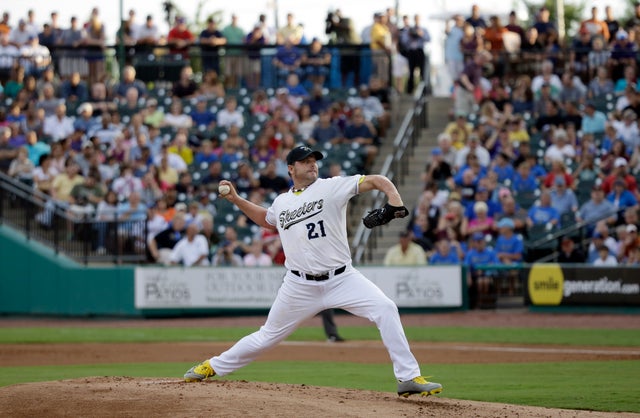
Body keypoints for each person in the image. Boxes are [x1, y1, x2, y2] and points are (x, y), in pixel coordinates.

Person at [184, 145, 443, 398]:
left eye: (314, 160)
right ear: (290, 168)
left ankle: (408, 378)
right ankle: (212, 366)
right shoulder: (282, 201)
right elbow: (266, 220)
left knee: (385, 308)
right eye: (305, 161)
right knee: (266, 336)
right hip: (299, 286)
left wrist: (395, 202)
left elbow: (378, 180)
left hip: (342, 278)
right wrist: (236, 199)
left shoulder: (331, 186)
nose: (312, 164)